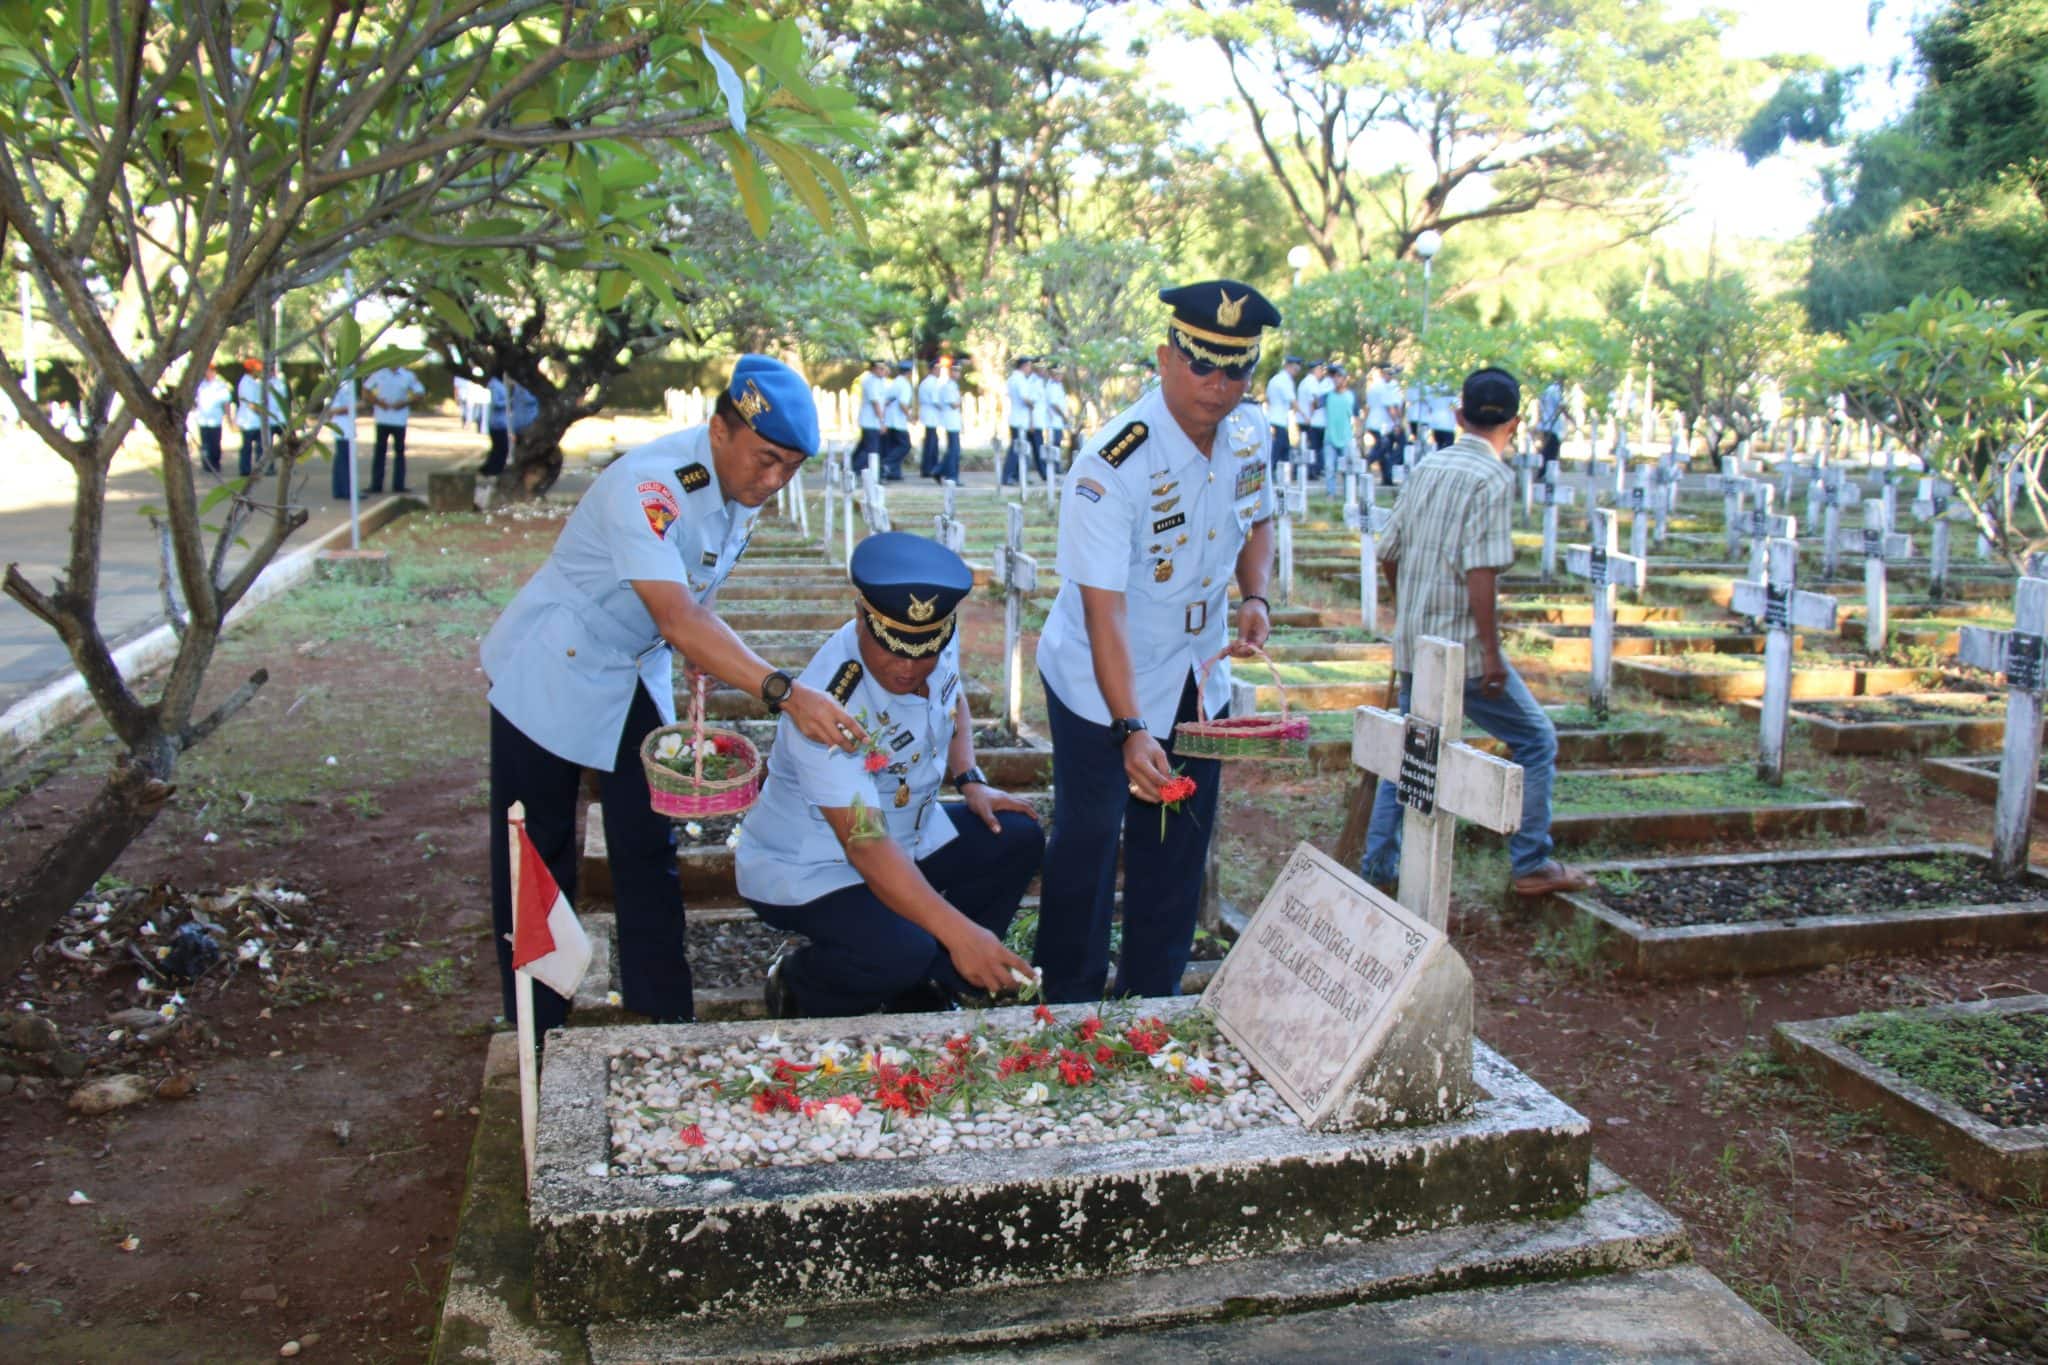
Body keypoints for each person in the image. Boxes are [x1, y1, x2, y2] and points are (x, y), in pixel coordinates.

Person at [481, 355, 866, 1038]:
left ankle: (663, 1014)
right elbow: (678, 616)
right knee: (538, 853)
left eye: (791, 468)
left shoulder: (736, 487)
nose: (774, 481)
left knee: (647, 841)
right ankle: (535, 1033)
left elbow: (696, 602)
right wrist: (784, 692)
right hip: (555, 663)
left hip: (630, 671)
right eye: (766, 459)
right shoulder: (651, 485)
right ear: (719, 430)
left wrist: (701, 664)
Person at [1034, 279, 1280, 1004]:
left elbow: (1260, 515)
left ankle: (1152, 995)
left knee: (1179, 838)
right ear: (1165, 357)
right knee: (1090, 834)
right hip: (1099, 678)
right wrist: (1131, 726)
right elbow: (1103, 612)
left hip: (1199, 675)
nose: (1219, 384)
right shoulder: (1112, 465)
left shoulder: (1249, 432)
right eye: (1203, 363)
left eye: (1237, 369)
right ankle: (1067, 999)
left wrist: (1255, 592)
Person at [741, 533, 1043, 1017]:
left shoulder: (932, 640)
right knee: (901, 951)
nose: (907, 668)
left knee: (1016, 836)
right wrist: (961, 931)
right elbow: (864, 843)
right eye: (893, 648)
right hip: (812, 869)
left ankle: (936, 982)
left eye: (922, 650)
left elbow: (953, 698)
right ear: (861, 615)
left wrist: (970, 778)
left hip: (905, 838)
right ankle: (800, 984)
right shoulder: (827, 708)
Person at [1360, 367, 1593, 900]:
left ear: (1458, 416)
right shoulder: (1493, 478)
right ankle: (1531, 860)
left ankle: (1378, 864)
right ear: (1514, 423)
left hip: (1418, 644)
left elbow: (1388, 549)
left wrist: (1408, 609)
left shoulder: (1428, 467)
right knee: (1536, 739)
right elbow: (1481, 572)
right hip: (1462, 651)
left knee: (1411, 750)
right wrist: (1492, 654)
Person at [364, 363, 427, 494]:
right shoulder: (379, 373)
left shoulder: (407, 375)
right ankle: (376, 484)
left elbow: (420, 392)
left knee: (399, 452)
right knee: (380, 452)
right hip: (382, 418)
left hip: (399, 419)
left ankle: (399, 484)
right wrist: (378, 402)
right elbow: (366, 390)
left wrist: (405, 402)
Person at [235, 358, 286, 477]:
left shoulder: (254, 382)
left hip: (257, 421)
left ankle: (262, 468)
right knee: (247, 447)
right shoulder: (246, 383)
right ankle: (245, 470)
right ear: (251, 370)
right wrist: (264, 413)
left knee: (262, 447)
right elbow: (251, 404)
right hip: (249, 421)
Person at [481, 368, 535, 477]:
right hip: (497, 423)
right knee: (501, 448)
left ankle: (494, 468)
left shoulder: (500, 385)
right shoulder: (496, 386)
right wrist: (509, 402)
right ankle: (493, 469)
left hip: (501, 422)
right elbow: (496, 402)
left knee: (500, 448)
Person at [1321, 364, 1356, 501]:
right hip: (1330, 436)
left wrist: (1357, 434)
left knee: (1348, 468)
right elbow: (1313, 404)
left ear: (1345, 379)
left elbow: (1356, 415)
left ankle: (1349, 494)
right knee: (1329, 467)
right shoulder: (1327, 396)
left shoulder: (1350, 396)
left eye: (1339, 377)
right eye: (1334, 377)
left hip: (1346, 436)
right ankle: (1331, 493)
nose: (1336, 380)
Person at [926, 356, 963, 483]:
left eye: (958, 371)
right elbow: (953, 404)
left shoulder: (953, 386)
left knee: (955, 451)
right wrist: (961, 400)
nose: (957, 373)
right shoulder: (948, 386)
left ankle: (939, 471)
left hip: (954, 421)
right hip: (950, 421)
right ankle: (951, 476)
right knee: (954, 451)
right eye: (955, 370)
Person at [193, 362, 233, 475]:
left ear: (215, 372)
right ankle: (206, 465)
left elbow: (226, 403)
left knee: (215, 443)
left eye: (211, 370)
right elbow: (195, 402)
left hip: (215, 420)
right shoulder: (200, 385)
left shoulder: (220, 386)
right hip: (203, 420)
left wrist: (229, 418)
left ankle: (215, 464)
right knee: (205, 444)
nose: (208, 373)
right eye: (207, 370)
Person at [1002, 356, 1036, 486]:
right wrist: (1032, 404)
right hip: (1020, 420)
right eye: (1029, 366)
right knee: (1016, 450)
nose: (1030, 369)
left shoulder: (1012, 378)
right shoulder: (1019, 379)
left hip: (1018, 418)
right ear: (1024, 366)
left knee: (1019, 449)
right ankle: (1008, 476)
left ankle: (1017, 475)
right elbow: (1025, 398)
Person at [880, 359, 915, 481]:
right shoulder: (905, 385)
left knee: (893, 445)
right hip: (898, 422)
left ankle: (894, 473)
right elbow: (903, 403)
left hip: (889, 420)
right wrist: (910, 417)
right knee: (905, 446)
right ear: (910, 372)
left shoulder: (895, 382)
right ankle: (887, 464)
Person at [1264, 355, 1300, 469]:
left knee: (1281, 447)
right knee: (1281, 448)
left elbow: (1268, 399)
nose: (1296, 373)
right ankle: (1276, 470)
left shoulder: (1274, 379)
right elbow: (1292, 400)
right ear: (1288, 367)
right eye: (1295, 370)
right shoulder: (1286, 381)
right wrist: (1303, 415)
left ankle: (1281, 470)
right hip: (1279, 420)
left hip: (1272, 418)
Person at [854, 357, 888, 475]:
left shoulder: (880, 381)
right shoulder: (870, 381)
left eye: (884, 369)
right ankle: (860, 470)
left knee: (864, 447)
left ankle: (853, 467)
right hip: (870, 421)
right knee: (871, 449)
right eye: (880, 369)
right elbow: (875, 403)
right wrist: (882, 421)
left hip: (873, 421)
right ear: (874, 369)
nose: (883, 371)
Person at [1295, 358, 1330, 476]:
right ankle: (1311, 471)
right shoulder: (1312, 382)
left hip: (1303, 419)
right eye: (1321, 370)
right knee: (1313, 448)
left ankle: (1309, 471)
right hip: (1311, 420)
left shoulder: (1304, 382)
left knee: (1308, 446)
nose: (1322, 373)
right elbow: (1313, 402)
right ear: (1316, 370)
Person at [326, 375, 357, 501]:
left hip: (347, 426)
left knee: (342, 459)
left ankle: (340, 489)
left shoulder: (349, 382)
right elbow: (332, 409)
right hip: (341, 426)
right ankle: (345, 490)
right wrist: (355, 406)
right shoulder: (339, 384)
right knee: (344, 459)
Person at [917, 357, 949, 480]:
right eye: (938, 369)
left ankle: (928, 467)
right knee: (931, 443)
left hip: (927, 414)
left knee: (931, 441)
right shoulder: (934, 383)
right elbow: (937, 401)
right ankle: (929, 468)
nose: (940, 371)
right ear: (933, 369)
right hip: (931, 415)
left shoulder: (925, 382)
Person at [1537, 378, 1568, 476]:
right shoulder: (1556, 391)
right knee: (1551, 453)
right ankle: (1546, 474)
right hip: (1553, 427)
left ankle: (1542, 472)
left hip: (1545, 426)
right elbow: (1561, 407)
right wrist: (1571, 419)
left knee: (1546, 450)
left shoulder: (1545, 392)